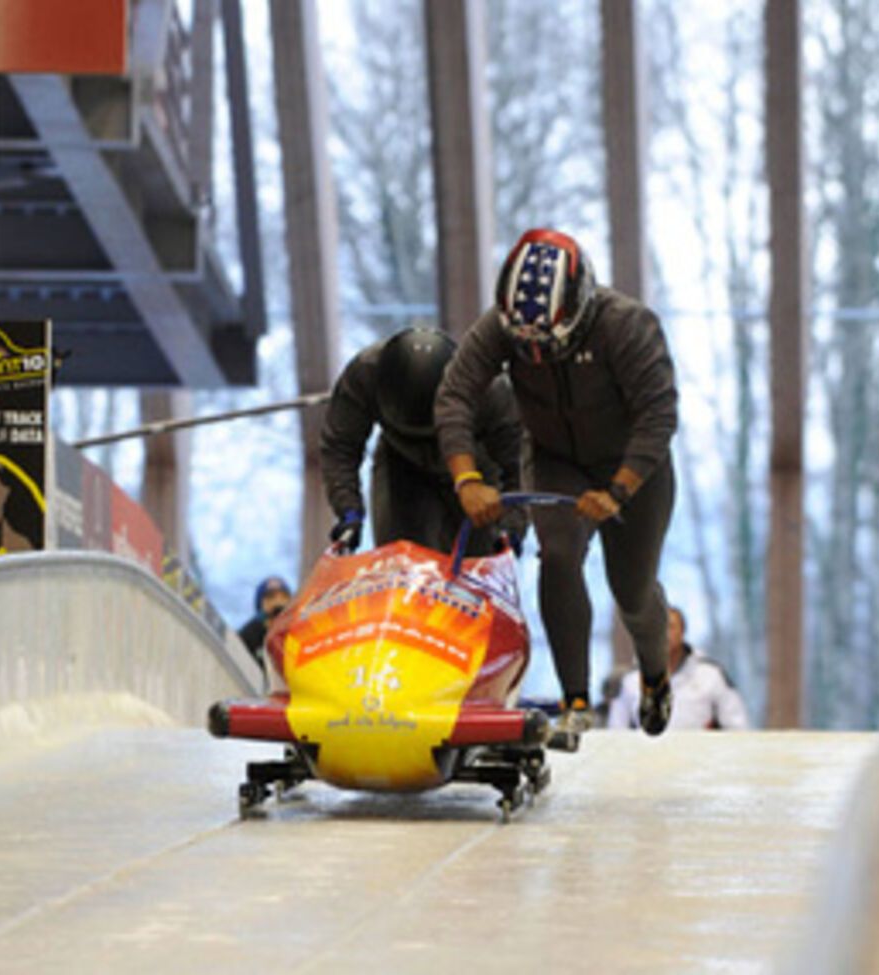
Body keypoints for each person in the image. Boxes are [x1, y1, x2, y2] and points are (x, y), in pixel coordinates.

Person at [435, 228, 679, 741]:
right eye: (525, 347)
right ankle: (576, 698)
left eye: (548, 344)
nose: (536, 355)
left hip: (634, 465)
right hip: (555, 458)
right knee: (560, 554)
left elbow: (658, 415)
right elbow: (455, 395)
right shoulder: (501, 328)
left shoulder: (628, 326)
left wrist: (618, 490)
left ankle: (654, 673)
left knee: (630, 589)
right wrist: (467, 479)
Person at [320, 326, 525, 555]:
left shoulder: (489, 388)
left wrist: (513, 525)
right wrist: (349, 511)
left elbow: (517, 464)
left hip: (473, 465)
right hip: (401, 463)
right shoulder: (364, 376)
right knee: (400, 559)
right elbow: (340, 447)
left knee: (477, 561)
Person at [608, 607, 750, 731]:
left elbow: (737, 728)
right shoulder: (631, 681)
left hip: (701, 758)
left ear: (683, 632)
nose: (663, 633)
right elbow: (616, 732)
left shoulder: (711, 675)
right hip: (646, 759)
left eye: (670, 626)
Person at [239, 575, 293, 662]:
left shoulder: (296, 631)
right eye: (271, 597)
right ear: (261, 604)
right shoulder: (248, 635)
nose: (278, 602)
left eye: (284, 597)